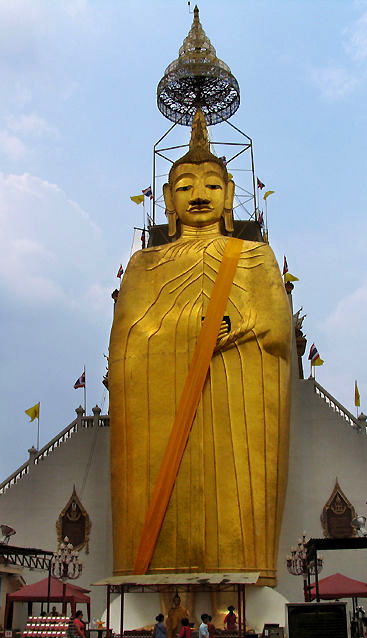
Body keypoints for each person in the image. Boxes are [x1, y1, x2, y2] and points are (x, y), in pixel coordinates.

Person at [108, 108, 292, 580]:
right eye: (185, 186)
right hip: (163, 409)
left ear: (230, 194)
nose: (199, 194)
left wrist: (236, 327)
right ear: (168, 200)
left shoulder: (255, 255)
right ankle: (159, 584)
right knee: (164, 507)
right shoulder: (144, 265)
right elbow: (128, 340)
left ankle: (240, 584)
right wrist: (193, 330)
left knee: (236, 495)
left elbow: (276, 330)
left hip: (236, 402)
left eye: (212, 185)